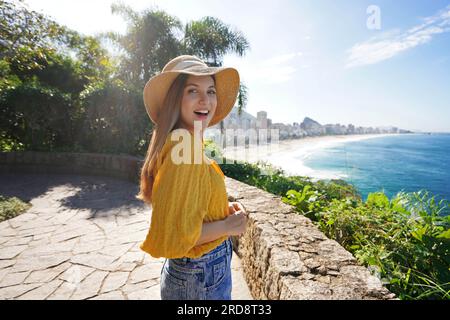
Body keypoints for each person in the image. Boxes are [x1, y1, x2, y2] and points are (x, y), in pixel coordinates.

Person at [137, 55, 248, 300]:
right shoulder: (184, 145)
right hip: (201, 275)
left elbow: (184, 204)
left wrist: (219, 208)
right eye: (192, 90)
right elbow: (179, 233)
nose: (205, 100)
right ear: (175, 100)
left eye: (210, 91)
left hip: (195, 274)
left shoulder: (182, 140)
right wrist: (228, 226)